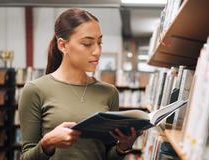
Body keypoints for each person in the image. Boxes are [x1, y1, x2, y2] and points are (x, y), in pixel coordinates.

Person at [19, 8, 142, 160]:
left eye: (99, 42)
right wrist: (47, 143)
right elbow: (26, 157)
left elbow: (107, 156)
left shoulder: (109, 92)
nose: (97, 51)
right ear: (63, 45)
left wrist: (122, 147)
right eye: (87, 43)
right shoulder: (35, 90)